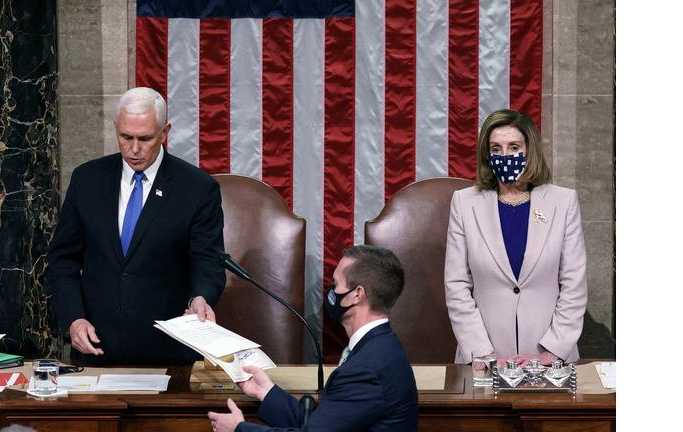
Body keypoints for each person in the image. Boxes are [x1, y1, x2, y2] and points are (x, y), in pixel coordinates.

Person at [46, 87, 226, 366]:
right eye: (125, 137)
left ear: (164, 132)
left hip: (168, 354)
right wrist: (73, 318)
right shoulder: (87, 180)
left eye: (145, 139)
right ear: (116, 127)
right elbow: (62, 259)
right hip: (97, 349)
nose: (134, 149)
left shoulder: (198, 189)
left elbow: (207, 260)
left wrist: (200, 298)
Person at [208, 245, 418, 432]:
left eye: (336, 284)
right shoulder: (383, 346)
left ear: (357, 294)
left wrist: (239, 429)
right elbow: (321, 424)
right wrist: (267, 392)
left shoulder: (365, 370)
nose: (332, 291)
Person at [444, 109, 588, 367]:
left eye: (514, 147)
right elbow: (456, 285)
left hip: (550, 358)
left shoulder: (563, 201)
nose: (505, 156)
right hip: (486, 360)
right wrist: (481, 353)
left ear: (529, 150)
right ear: (486, 155)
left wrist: (553, 350)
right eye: (496, 149)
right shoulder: (464, 203)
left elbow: (574, 284)